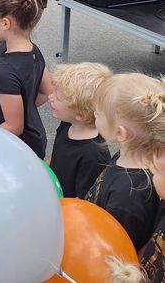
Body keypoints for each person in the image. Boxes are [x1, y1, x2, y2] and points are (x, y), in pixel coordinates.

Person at [87, 73, 163, 251]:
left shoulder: (128, 196)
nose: (94, 115)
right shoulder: (126, 158)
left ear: (120, 133)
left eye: (98, 113)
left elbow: (115, 250)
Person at [0, 0, 51, 158]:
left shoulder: (4, 71)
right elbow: (47, 91)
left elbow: (14, 126)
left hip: (17, 148)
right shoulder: (34, 50)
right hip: (34, 136)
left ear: (5, 23)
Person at [48, 62, 112, 198]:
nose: (50, 97)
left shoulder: (94, 156)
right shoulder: (67, 125)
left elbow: (84, 201)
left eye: (57, 97)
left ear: (80, 115)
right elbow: (57, 156)